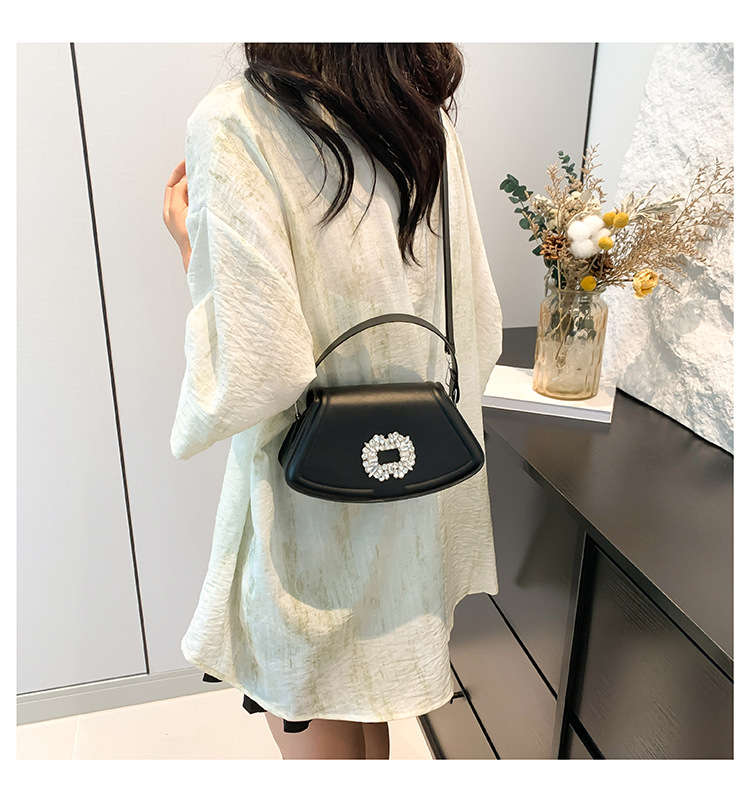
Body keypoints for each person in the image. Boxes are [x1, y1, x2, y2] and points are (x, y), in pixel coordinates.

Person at [162, 43, 503, 760]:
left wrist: (193, 251)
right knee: (367, 700)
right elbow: (479, 323)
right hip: (412, 495)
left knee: (317, 708)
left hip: (306, 515)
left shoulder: (237, 120)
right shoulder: (419, 117)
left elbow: (258, 369)